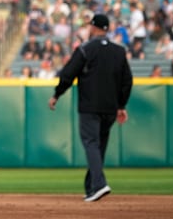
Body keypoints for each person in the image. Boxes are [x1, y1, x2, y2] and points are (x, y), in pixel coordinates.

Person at [48, 14, 133, 202]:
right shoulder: (119, 51)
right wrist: (121, 105)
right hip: (110, 108)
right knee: (98, 146)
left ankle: (99, 185)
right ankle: (91, 187)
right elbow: (127, 81)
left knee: (91, 143)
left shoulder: (86, 49)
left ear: (94, 28)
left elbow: (68, 74)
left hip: (90, 107)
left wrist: (57, 94)